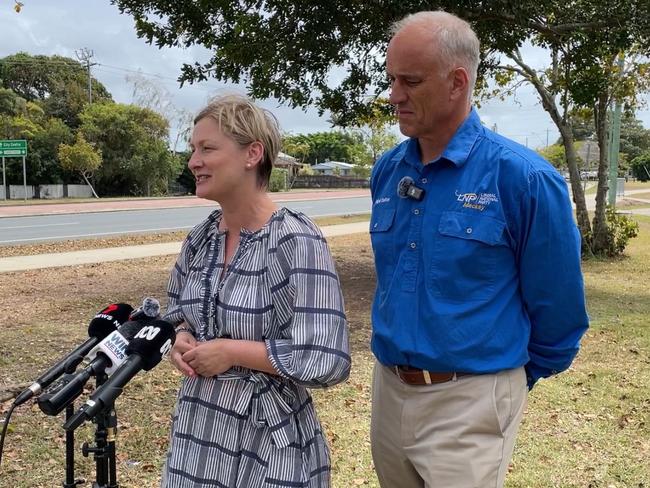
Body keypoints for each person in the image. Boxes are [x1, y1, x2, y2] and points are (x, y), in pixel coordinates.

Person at [369, 11, 589, 488]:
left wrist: (501, 381)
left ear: (457, 82)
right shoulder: (387, 171)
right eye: (390, 80)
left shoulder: (524, 178)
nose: (394, 96)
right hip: (387, 390)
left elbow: (560, 307)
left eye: (409, 80)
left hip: (470, 397)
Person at [161, 94, 351, 488]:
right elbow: (176, 308)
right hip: (198, 431)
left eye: (207, 148)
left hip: (267, 442)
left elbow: (325, 357)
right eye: (193, 149)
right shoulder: (201, 238)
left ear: (252, 154)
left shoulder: (295, 239)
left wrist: (232, 352)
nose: (193, 160)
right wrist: (179, 338)